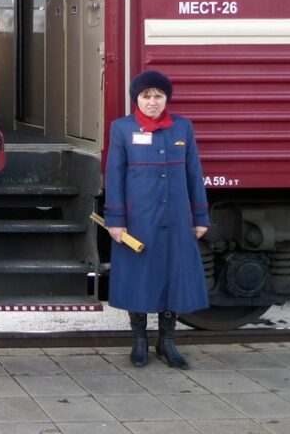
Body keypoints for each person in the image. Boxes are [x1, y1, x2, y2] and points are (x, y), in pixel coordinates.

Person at [104, 70, 210, 370]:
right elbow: (115, 175)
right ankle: (139, 341)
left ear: (167, 99)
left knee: (174, 279)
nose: (152, 102)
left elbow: (194, 173)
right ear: (136, 99)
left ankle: (167, 342)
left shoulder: (182, 128)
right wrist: (115, 219)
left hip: (177, 219)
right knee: (139, 279)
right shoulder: (122, 128)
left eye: (158, 96)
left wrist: (200, 217)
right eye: (146, 96)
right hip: (139, 221)